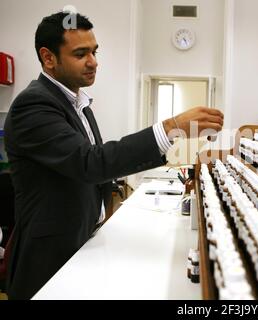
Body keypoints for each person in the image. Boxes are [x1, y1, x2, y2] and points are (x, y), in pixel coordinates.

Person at [3, 11, 223, 300]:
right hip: (50, 259)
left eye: (94, 51)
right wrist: (170, 128)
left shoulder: (79, 104)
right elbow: (91, 163)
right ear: (48, 58)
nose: (93, 62)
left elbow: (93, 165)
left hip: (85, 243)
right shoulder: (33, 105)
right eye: (80, 54)